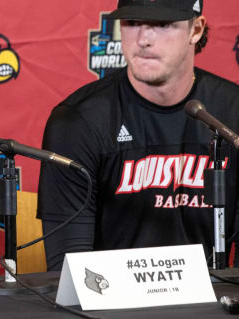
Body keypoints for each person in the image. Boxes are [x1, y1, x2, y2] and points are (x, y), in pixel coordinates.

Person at [38, 0, 239, 271]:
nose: (144, 39)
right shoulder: (78, 121)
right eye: (132, 23)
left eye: (163, 24)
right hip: (111, 306)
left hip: (212, 305)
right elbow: (69, 266)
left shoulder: (232, 113)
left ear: (196, 29)